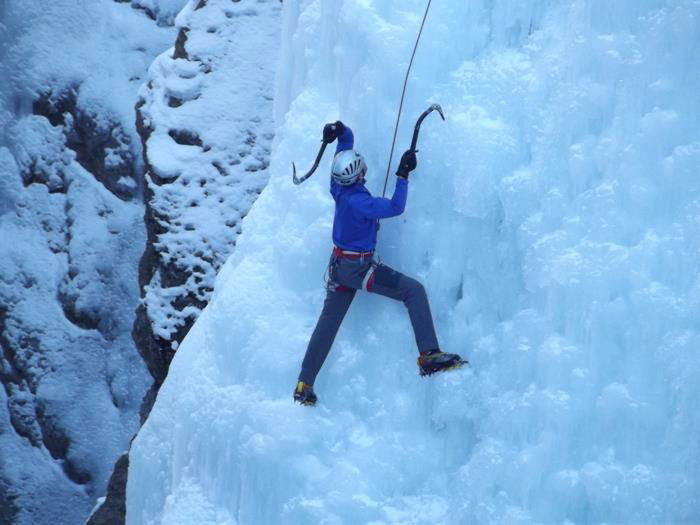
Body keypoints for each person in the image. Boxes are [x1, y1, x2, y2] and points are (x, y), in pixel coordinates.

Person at [294, 121, 465, 406]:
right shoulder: (363, 203)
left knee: (328, 324)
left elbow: (345, 145)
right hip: (358, 269)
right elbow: (396, 207)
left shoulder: (338, 188)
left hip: (339, 266)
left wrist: (340, 129)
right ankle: (429, 354)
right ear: (361, 173)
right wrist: (403, 175)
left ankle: (304, 383)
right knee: (414, 291)